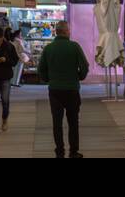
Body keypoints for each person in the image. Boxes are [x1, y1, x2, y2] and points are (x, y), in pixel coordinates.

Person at [37, 20, 88, 158]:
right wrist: (79, 77)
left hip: (55, 90)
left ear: (56, 32)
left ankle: (59, 151)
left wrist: (48, 79)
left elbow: (40, 69)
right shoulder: (75, 47)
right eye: (69, 30)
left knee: (57, 123)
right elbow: (85, 66)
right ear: (66, 31)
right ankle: (73, 151)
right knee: (73, 122)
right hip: (72, 90)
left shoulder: (48, 49)